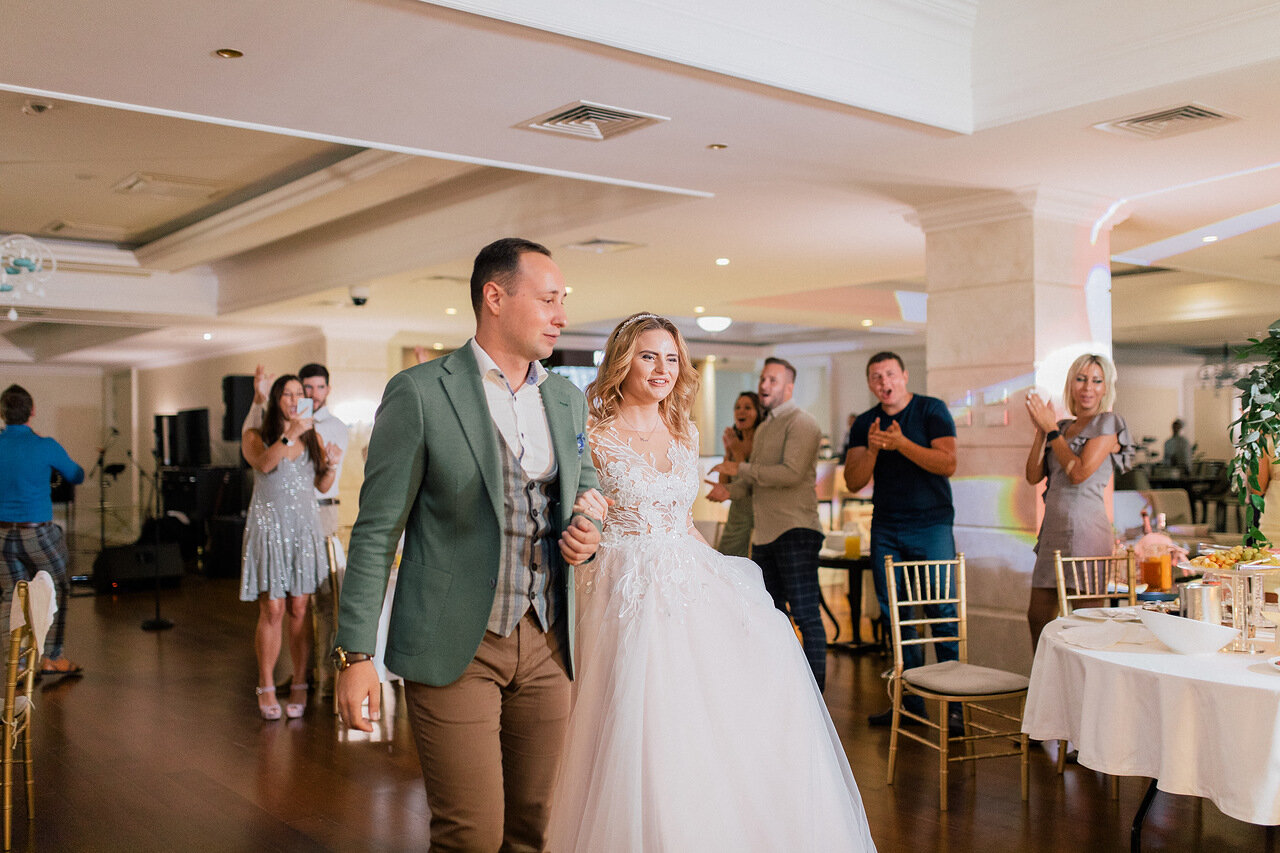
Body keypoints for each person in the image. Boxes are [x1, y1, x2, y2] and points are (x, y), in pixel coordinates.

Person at [547, 313, 876, 852]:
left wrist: (729, 579)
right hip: (620, 588)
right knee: (629, 725)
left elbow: (682, 524)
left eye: (672, 358)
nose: (663, 369)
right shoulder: (593, 436)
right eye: (649, 356)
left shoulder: (684, 433)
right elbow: (578, 513)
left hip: (685, 585)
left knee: (698, 721)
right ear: (622, 361)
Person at [334, 237, 604, 852]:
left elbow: (585, 492)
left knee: (536, 828)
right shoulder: (421, 392)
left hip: (549, 642)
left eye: (563, 300)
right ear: (495, 297)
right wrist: (355, 656)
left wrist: (587, 532)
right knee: (471, 835)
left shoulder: (566, 398)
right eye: (548, 299)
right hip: (454, 641)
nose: (562, 315)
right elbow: (376, 532)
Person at [843, 352, 959, 730]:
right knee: (897, 616)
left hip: (931, 525)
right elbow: (854, 481)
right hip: (887, 528)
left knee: (941, 612)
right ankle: (909, 705)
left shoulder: (931, 409)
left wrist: (901, 443)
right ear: (870, 384)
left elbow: (948, 463)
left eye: (890, 374)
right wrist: (874, 449)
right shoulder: (866, 423)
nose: (884, 382)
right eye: (876, 377)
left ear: (905, 376)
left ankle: (954, 706)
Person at [707, 357, 827, 689]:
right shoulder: (765, 428)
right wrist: (728, 490)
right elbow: (752, 484)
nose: (764, 385)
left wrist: (739, 469)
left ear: (789, 387)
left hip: (796, 530)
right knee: (771, 616)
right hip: (764, 534)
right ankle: (784, 689)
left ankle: (815, 695)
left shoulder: (802, 423)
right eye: (763, 379)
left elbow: (791, 474)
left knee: (806, 615)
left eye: (773, 380)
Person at [244, 362, 350, 693]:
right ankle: (266, 684)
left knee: (300, 608)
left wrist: (331, 465)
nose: (295, 400)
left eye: (298, 394)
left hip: (305, 530)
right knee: (273, 608)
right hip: (270, 531)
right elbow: (264, 463)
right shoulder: (256, 436)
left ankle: (302, 682)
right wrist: (289, 433)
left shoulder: (312, 436)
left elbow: (322, 484)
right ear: (276, 399)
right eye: (287, 394)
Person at [1025, 353, 1135, 650]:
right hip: (1053, 531)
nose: (1088, 387)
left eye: (1096, 381)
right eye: (1081, 379)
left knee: (1086, 623)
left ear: (1105, 387)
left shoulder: (1108, 423)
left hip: (1087, 529)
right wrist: (1042, 431)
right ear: (1071, 384)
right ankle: (1045, 677)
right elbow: (1033, 476)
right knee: (1038, 618)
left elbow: (1079, 473)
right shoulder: (1060, 427)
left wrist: (1050, 430)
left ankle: (1083, 678)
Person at [0, 384, 85, 677]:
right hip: (37, 534)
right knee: (56, 587)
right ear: (32, 411)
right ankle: (51, 657)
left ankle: (18, 665)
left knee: (11, 597)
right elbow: (76, 475)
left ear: (3, 414)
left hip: (1, 536)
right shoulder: (45, 445)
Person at [714, 391, 764, 557]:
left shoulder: (762, 442)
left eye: (747, 408)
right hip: (736, 515)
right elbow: (724, 483)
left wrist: (737, 451)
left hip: (756, 515)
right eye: (737, 407)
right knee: (726, 560)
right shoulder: (734, 439)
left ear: (758, 412)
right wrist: (728, 453)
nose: (741, 411)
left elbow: (751, 483)